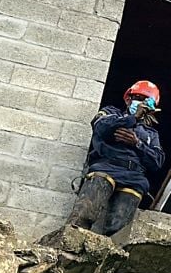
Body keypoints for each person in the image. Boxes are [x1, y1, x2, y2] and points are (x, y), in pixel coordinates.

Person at [69, 80, 165, 235]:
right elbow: (100, 127)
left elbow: (157, 162)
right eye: (138, 97)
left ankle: (109, 255)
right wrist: (131, 118)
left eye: (146, 101)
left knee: (117, 229)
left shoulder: (151, 134)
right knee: (84, 214)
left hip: (134, 177)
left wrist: (137, 143)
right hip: (106, 167)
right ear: (128, 98)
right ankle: (70, 239)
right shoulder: (110, 113)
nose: (141, 103)